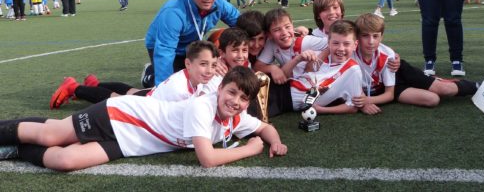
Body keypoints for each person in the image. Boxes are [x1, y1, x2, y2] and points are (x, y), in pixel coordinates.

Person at [0, 66, 288, 171]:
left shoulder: (237, 118)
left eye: (242, 99)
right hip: (120, 114)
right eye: (231, 93)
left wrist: (274, 142)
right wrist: (250, 149)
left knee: (65, 161)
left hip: (131, 143)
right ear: (220, 89)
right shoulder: (203, 107)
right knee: (50, 135)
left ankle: (14, 149)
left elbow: (264, 126)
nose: (235, 102)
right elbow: (207, 160)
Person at [351, 13, 479, 114]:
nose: (371, 41)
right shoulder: (350, 56)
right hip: (386, 87)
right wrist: (363, 103)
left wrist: (366, 101)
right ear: (357, 37)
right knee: (433, 100)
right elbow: (389, 94)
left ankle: (477, 87)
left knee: (444, 89)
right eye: (365, 36)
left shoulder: (388, 55)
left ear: (382, 37)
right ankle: (431, 81)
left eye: (375, 36)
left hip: (400, 73)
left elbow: (388, 95)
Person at [49, 40, 220, 108]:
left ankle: (94, 85)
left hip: (158, 94)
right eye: (204, 64)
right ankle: (75, 88)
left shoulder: (191, 76)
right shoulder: (180, 89)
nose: (210, 69)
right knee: (117, 100)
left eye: (213, 65)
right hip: (149, 106)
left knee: (132, 91)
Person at [142, 0, 240, 88]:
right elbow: (165, 50)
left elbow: (241, 23)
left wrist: (222, 55)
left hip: (193, 44)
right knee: (179, 84)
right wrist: (164, 89)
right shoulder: (173, 12)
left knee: (206, 76)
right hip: (165, 46)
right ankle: (150, 75)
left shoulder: (219, 4)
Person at [295, 20, 363, 114]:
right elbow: (308, 71)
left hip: (289, 100)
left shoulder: (353, 70)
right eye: (335, 43)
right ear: (328, 43)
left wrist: (321, 110)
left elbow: (353, 106)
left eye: (346, 44)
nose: (341, 48)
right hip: (288, 88)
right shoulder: (323, 56)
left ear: (355, 45)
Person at [255, 8, 328, 84]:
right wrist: (272, 68)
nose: (284, 32)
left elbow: (333, 42)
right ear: (269, 35)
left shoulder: (305, 42)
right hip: (296, 84)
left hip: (320, 81)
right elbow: (257, 66)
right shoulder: (271, 44)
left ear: (292, 26)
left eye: (287, 27)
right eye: (277, 30)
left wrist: (315, 62)